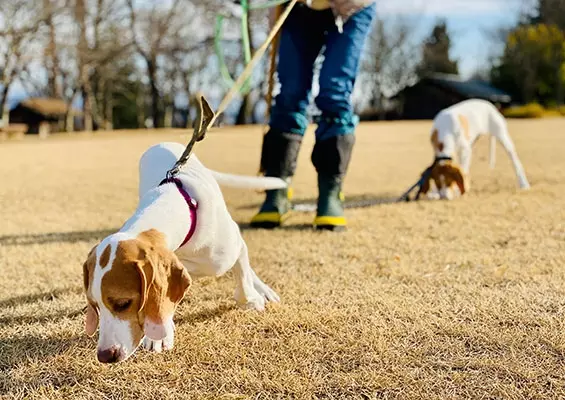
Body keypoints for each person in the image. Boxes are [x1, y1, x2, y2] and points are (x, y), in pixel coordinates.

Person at [250, 0, 376, 232]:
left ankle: (331, 193)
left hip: (353, 7)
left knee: (335, 92)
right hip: (298, 9)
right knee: (290, 93)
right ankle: (277, 190)